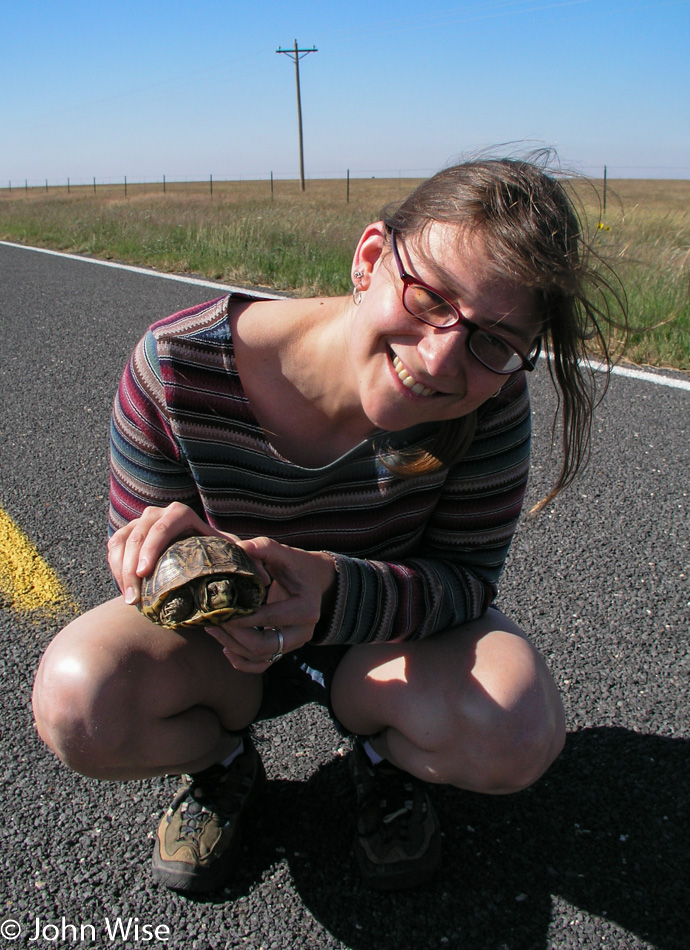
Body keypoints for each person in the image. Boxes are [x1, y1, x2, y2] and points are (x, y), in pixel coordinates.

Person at [31, 155, 624, 894]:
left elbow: (465, 581)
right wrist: (171, 554)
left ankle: (379, 760)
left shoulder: (488, 399)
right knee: (77, 701)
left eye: (495, 341)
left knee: (518, 730)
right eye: (430, 296)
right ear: (370, 258)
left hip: (378, 644)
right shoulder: (175, 368)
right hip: (223, 646)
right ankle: (221, 765)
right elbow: (143, 585)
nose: (440, 357)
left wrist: (333, 592)